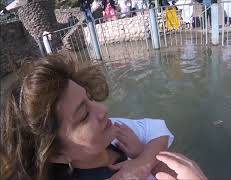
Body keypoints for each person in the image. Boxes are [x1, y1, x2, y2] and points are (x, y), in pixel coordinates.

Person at [0, 54, 175, 180]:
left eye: (89, 98)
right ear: (57, 154)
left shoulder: (113, 132)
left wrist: (142, 159)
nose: (103, 109)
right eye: (84, 115)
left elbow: (160, 131)